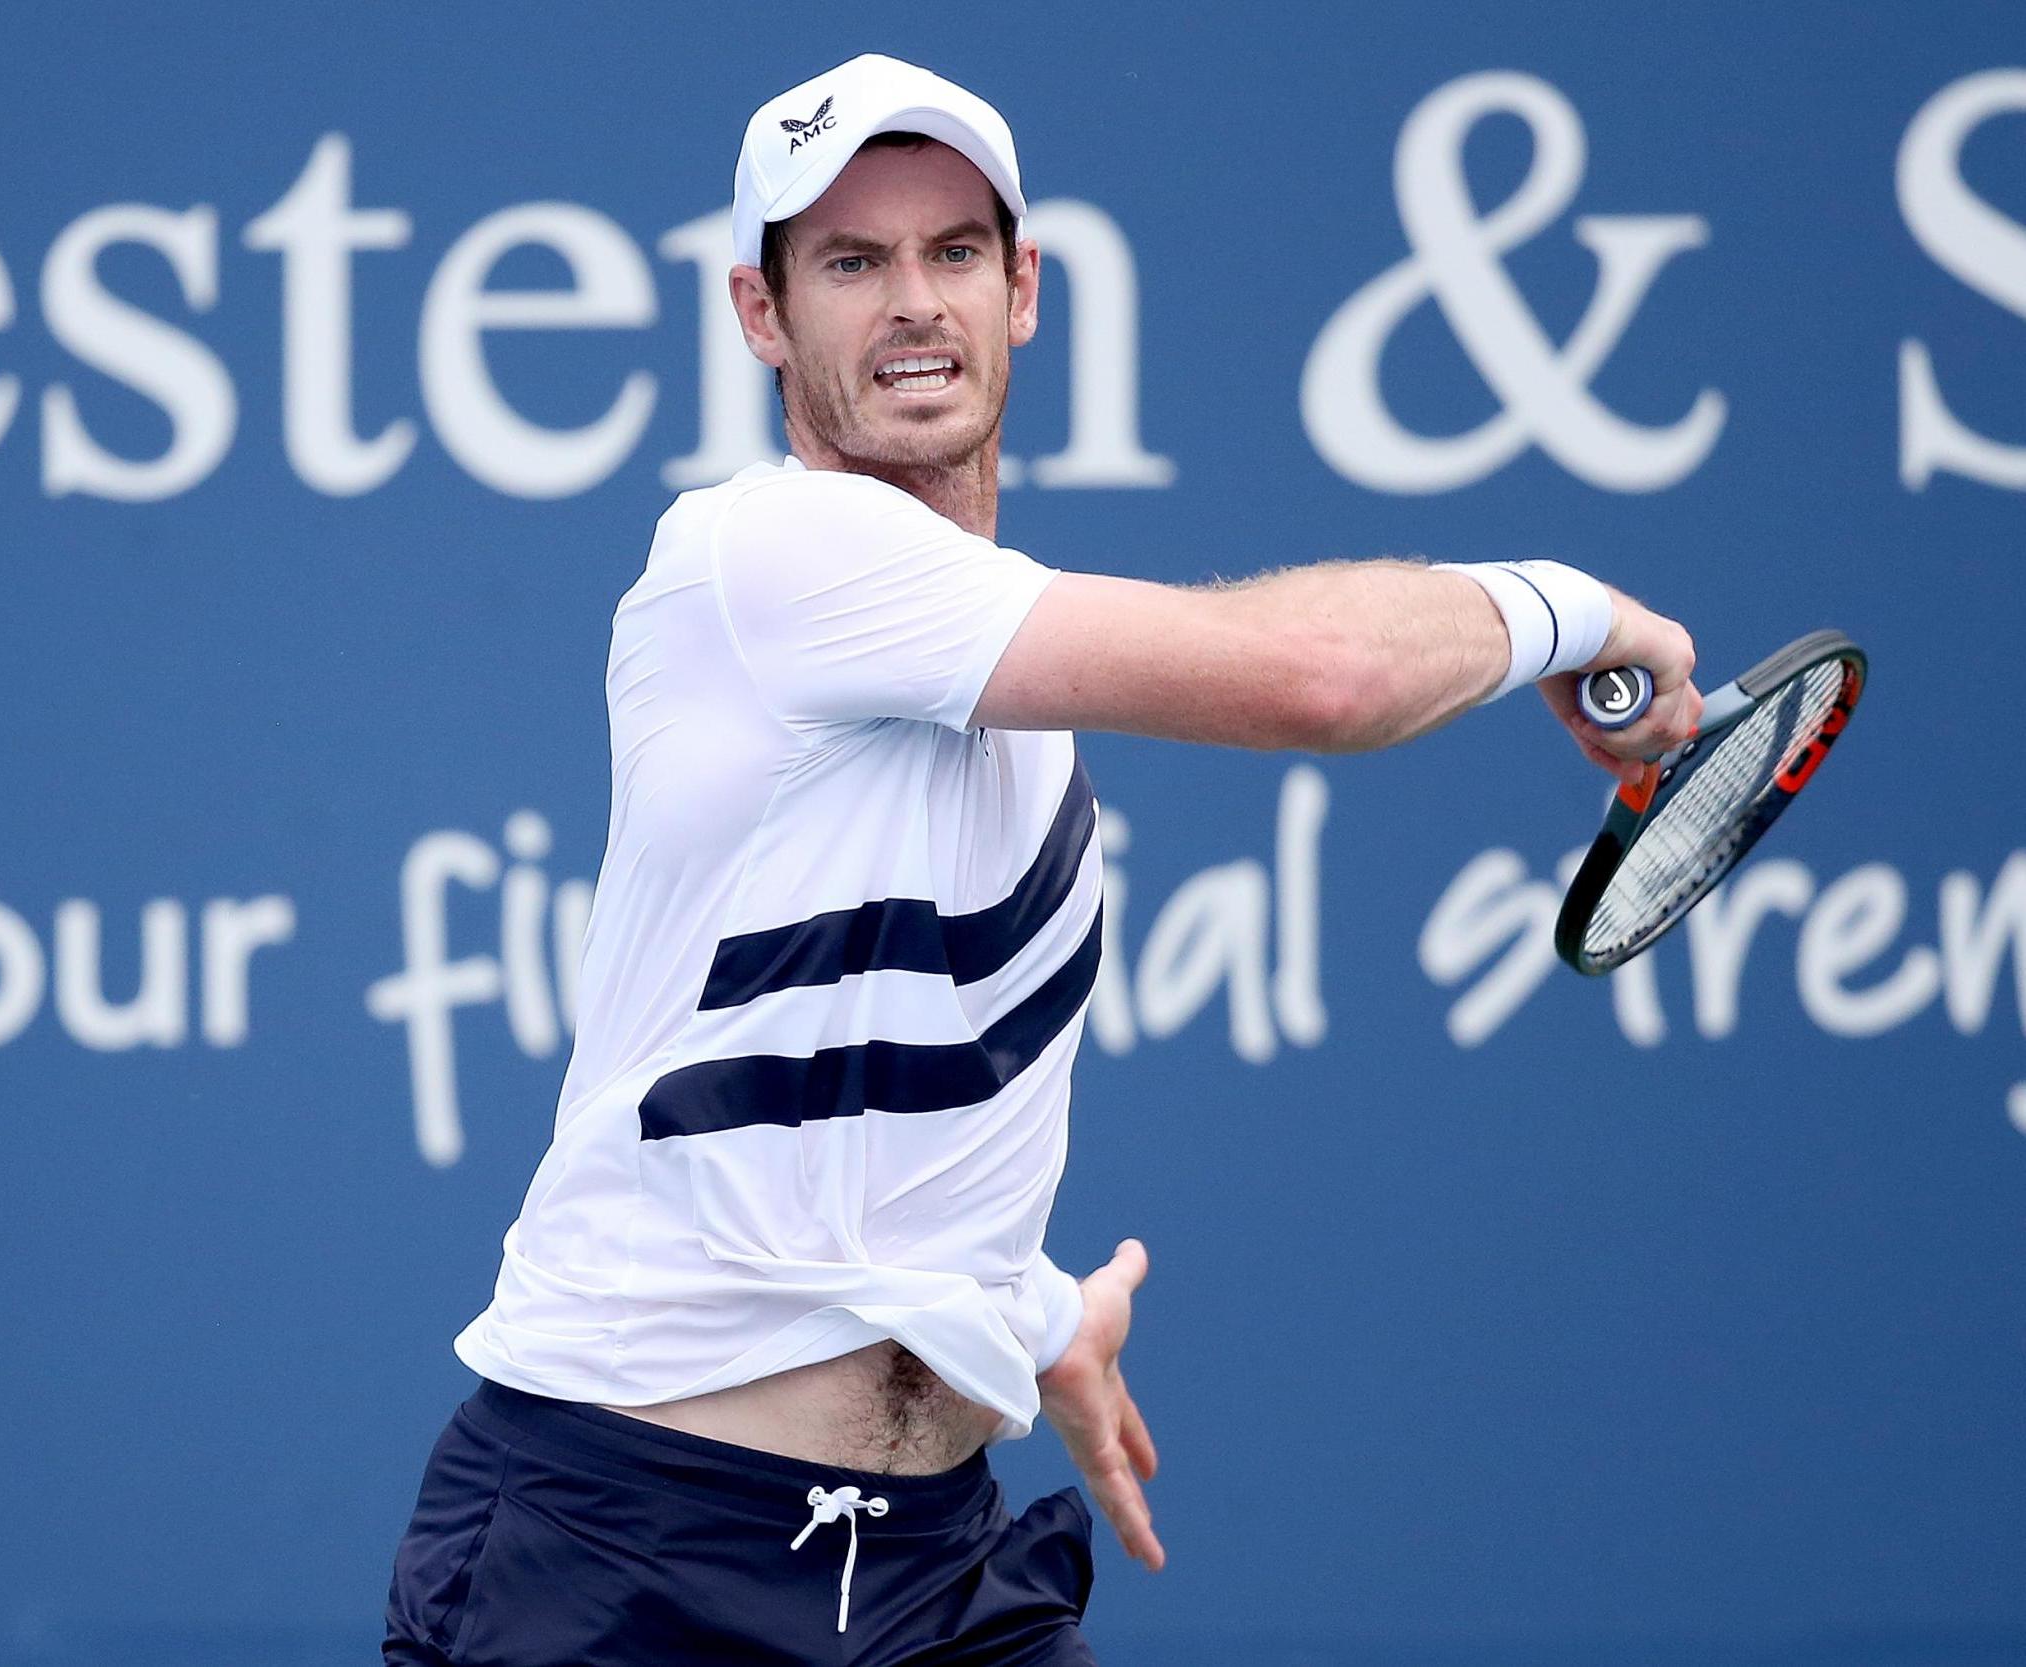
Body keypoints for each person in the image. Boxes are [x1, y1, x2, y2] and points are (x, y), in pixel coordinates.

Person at [382, 51, 1700, 1667]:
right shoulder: (768, 552)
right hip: (632, 1555)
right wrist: (1576, 603)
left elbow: (866, 1092)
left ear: (1021, 290)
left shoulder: (1006, 706)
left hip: (936, 1576)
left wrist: (1022, 1318)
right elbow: (1324, 683)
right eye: (849, 265)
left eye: (949, 254)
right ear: (759, 314)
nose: (909, 303)